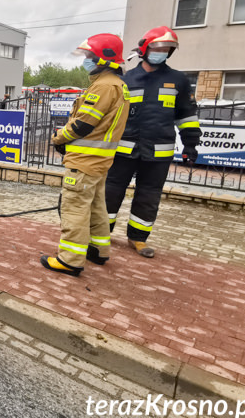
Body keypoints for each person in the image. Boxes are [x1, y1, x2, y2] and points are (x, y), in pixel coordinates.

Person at [105, 26, 201, 259]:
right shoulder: (126, 79)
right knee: (110, 191)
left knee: (149, 196)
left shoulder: (178, 80)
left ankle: (138, 238)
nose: (162, 52)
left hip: (158, 152)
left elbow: (187, 115)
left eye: (167, 49)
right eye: (158, 48)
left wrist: (190, 145)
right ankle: (101, 233)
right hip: (124, 150)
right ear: (145, 49)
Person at [40, 33, 129, 277]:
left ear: (104, 59)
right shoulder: (117, 85)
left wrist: (59, 138)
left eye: (90, 56)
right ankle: (98, 250)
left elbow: (83, 124)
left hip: (84, 161)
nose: (86, 60)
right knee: (97, 206)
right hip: (99, 162)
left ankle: (70, 259)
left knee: (75, 209)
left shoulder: (103, 87)